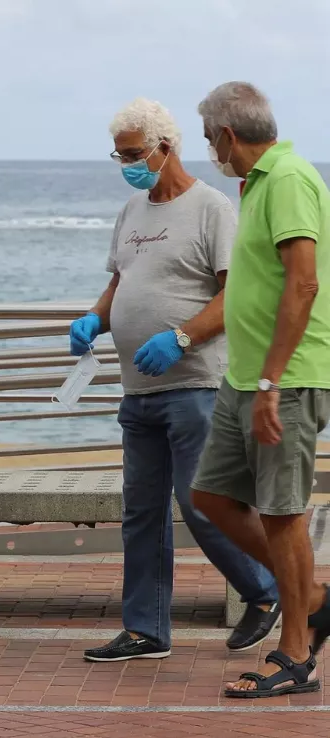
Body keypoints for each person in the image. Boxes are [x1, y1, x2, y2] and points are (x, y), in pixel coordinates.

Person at [70, 98, 279, 664]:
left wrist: (182, 338)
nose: (126, 162)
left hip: (195, 387)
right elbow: (122, 283)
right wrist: (96, 318)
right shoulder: (132, 211)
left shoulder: (211, 208)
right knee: (140, 513)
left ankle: (265, 590)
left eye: (135, 153)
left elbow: (235, 294)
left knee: (203, 504)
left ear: (167, 147)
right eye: (120, 153)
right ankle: (145, 630)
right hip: (137, 390)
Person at [187, 81, 330, 698]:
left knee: (282, 513)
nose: (208, 151)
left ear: (226, 135)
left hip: (285, 380)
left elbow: (303, 284)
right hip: (242, 377)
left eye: (207, 139)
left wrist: (272, 378)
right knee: (211, 497)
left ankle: (296, 653)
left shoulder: (291, 178)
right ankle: (315, 599)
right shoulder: (254, 186)